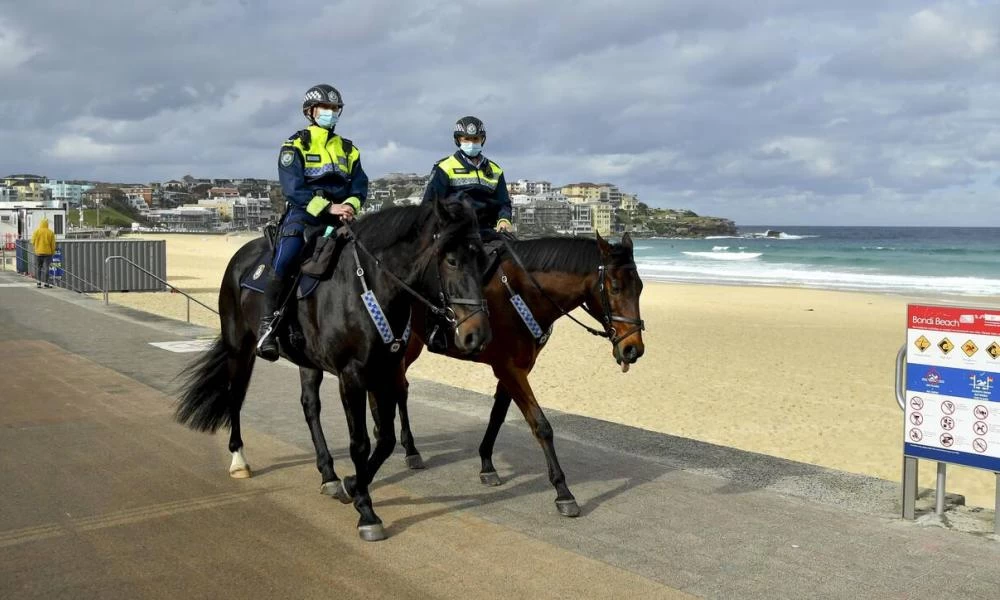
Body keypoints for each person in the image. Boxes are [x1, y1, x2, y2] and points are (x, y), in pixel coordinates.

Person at [256, 83, 369, 361]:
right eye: (326, 108)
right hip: (304, 215)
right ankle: (268, 327)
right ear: (310, 111)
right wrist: (330, 208)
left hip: (342, 215)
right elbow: (293, 189)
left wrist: (349, 207)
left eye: (334, 109)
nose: (331, 113)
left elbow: (360, 186)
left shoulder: (348, 149)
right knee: (285, 260)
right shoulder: (294, 145)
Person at [422, 116, 512, 238]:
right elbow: (430, 203)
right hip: (455, 233)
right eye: (467, 139)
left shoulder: (495, 170)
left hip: (487, 231)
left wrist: (504, 220)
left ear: (482, 140)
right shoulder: (444, 167)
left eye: (475, 139)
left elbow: (504, 203)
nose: (471, 143)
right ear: (458, 140)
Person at [31, 217, 56, 289]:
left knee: (38, 267)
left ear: (40, 224)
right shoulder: (50, 232)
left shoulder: (36, 231)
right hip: (48, 253)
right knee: (46, 268)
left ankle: (38, 282)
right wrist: (53, 252)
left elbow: (32, 242)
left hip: (38, 252)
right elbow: (53, 244)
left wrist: (36, 248)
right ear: (47, 224)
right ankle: (46, 283)